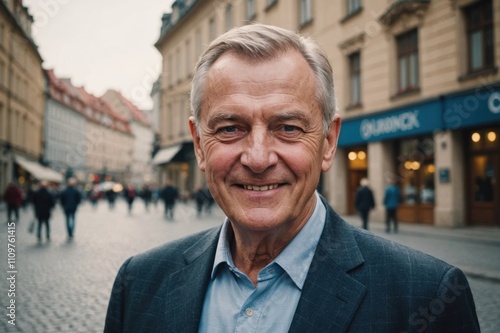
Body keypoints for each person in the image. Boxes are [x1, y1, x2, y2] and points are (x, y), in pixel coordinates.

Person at [104, 24, 479, 332]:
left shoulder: (426, 295)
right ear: (199, 145)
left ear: (328, 142)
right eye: (231, 128)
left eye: (287, 127)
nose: (257, 158)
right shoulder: (139, 283)